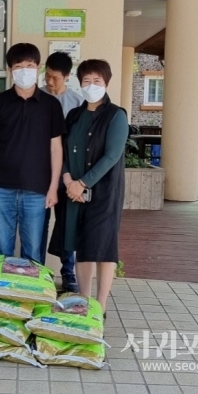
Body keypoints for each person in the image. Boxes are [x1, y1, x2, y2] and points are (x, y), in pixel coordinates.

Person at [50, 59, 128, 319]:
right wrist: (68, 180)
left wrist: (82, 183)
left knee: (103, 247)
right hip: (73, 192)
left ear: (106, 83)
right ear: (79, 83)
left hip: (103, 193)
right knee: (81, 244)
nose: (91, 85)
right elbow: (61, 150)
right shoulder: (73, 115)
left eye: (97, 81)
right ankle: (83, 302)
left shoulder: (116, 115)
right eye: (86, 81)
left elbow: (112, 155)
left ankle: (101, 306)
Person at [0, 43, 65, 263]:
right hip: (0, 188)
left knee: (33, 253)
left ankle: (31, 297)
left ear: (38, 68)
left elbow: (56, 148)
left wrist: (54, 187)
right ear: (10, 70)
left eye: (29, 65)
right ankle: (2, 295)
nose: (24, 70)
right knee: (1, 252)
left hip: (37, 190)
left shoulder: (51, 105)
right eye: (18, 65)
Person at [40, 52, 83, 292]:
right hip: (41, 173)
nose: (50, 82)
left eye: (55, 78)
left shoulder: (76, 103)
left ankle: (68, 273)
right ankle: (38, 272)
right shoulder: (36, 97)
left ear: (67, 77)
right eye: (47, 76)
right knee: (40, 224)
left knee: (67, 225)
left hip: (68, 176)